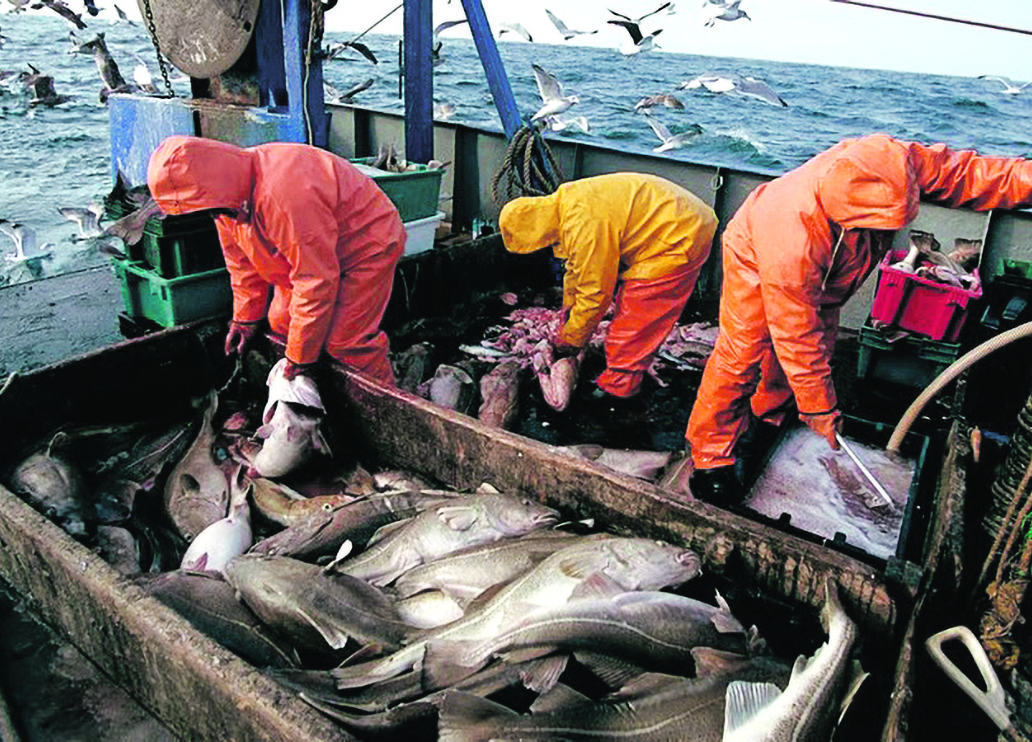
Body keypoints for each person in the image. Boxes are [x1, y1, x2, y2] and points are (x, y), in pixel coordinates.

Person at [686, 133, 1032, 505]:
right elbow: (795, 332)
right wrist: (820, 406)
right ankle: (711, 455)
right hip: (756, 255)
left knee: (817, 346)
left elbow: (971, 175)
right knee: (743, 352)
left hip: (834, 272)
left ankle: (769, 416)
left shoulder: (899, 163)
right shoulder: (791, 234)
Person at [146, 135, 405, 386]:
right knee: (281, 323)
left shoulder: (283, 195)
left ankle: (386, 411)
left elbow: (315, 279)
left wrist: (300, 358)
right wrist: (245, 319)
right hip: (309, 257)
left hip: (365, 247)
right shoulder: (224, 203)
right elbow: (242, 265)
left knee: (345, 343)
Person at [498, 172, 717, 401]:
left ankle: (618, 392)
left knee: (634, 324)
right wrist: (568, 311)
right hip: (676, 217)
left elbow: (595, 294)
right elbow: (577, 270)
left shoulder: (585, 227)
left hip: (679, 236)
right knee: (626, 312)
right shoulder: (565, 203)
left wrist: (571, 340)